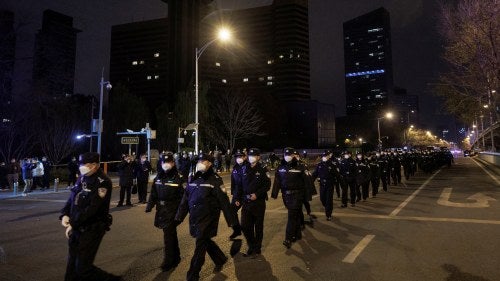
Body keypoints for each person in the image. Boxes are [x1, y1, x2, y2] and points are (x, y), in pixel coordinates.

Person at [175, 153, 237, 281]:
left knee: (200, 245)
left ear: (210, 164)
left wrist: (232, 221)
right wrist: (179, 216)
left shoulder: (215, 180)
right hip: (195, 217)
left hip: (209, 218)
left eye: (204, 161)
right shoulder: (192, 178)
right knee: (205, 241)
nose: (201, 163)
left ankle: (193, 275)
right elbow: (186, 199)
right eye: (200, 160)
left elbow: (224, 202)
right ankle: (220, 258)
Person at [59, 152, 120, 281]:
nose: (82, 167)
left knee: (83, 268)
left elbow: (92, 209)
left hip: (92, 228)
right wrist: (64, 214)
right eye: (81, 164)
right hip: (77, 227)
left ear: (94, 165)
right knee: (71, 266)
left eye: (85, 164)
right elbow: (72, 198)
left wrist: (73, 224)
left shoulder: (103, 182)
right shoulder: (82, 177)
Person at [145, 153, 184, 271]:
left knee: (168, 236)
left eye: (168, 162)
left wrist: (180, 213)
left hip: (173, 210)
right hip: (161, 210)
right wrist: (149, 206)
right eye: (163, 163)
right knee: (171, 235)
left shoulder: (179, 178)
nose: (166, 165)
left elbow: (183, 198)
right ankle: (176, 257)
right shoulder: (158, 178)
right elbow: (153, 194)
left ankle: (168, 261)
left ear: (173, 163)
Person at [233, 148, 271, 257]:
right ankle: (252, 244)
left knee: (258, 227)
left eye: (253, 155)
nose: (251, 157)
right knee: (245, 226)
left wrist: (257, 194)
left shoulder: (263, 169)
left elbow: (267, 185)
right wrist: (237, 199)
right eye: (249, 155)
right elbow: (239, 186)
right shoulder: (244, 169)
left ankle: (257, 247)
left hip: (258, 202)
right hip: (246, 202)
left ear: (258, 157)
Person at [271, 147, 310, 249]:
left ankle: (288, 238)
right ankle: (297, 234)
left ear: (293, 156)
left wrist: (307, 196)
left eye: (290, 155)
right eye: (286, 155)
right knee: (295, 215)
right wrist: (274, 193)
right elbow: (277, 181)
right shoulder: (280, 167)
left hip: (297, 195)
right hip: (286, 196)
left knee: (291, 216)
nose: (287, 156)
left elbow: (307, 182)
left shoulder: (300, 167)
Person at [311, 151, 337, 220]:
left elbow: (337, 175)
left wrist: (341, 183)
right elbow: (314, 174)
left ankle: (328, 215)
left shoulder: (332, 165)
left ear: (329, 156)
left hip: (329, 185)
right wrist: (310, 182)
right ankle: (327, 207)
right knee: (322, 199)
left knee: (329, 200)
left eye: (326, 156)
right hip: (322, 185)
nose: (324, 157)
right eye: (323, 156)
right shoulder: (319, 165)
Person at [229, 149, 246, 239]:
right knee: (231, 211)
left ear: (244, 157)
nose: (238, 158)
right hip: (237, 195)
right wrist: (235, 197)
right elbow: (233, 183)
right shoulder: (235, 168)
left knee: (246, 217)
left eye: (240, 156)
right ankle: (237, 230)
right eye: (237, 157)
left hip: (247, 195)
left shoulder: (248, 167)